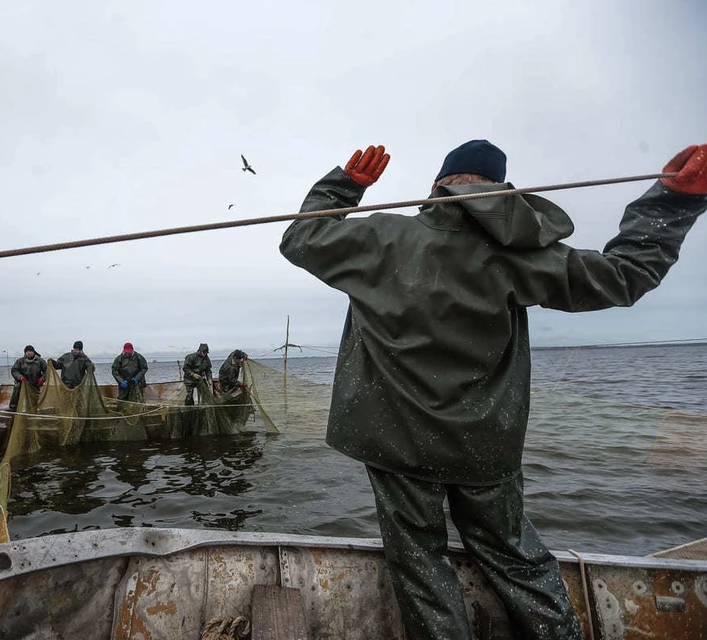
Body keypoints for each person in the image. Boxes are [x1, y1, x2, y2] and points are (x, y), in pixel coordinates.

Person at [278, 140, 707, 639]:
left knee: (419, 565)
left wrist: (344, 187)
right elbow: (625, 275)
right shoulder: (520, 255)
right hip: (485, 446)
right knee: (517, 559)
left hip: (396, 443)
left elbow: (301, 239)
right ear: (503, 191)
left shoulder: (381, 237)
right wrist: (671, 202)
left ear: (435, 187)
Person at [7, 345, 46, 411]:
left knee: (34, 399)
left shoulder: (40, 361)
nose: (29, 353)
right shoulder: (20, 361)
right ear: (25, 353)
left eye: (30, 351)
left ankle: (33, 409)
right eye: (27, 351)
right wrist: (20, 377)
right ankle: (13, 408)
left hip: (35, 383)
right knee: (17, 390)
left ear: (33, 352)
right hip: (22, 382)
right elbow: (14, 370)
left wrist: (42, 379)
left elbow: (46, 371)